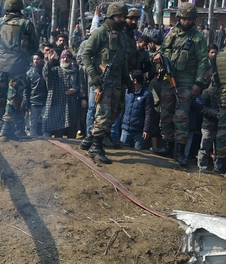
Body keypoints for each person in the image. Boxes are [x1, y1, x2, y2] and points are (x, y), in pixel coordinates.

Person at [153, 3, 208, 166]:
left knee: (181, 117)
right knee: (166, 114)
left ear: (194, 20)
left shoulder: (198, 38)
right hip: (168, 79)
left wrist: (198, 82)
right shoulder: (171, 34)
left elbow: (203, 61)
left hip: (186, 82)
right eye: (184, 18)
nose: (186, 21)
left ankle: (179, 151)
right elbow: (163, 51)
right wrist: (157, 59)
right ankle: (169, 146)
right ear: (179, 18)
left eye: (189, 19)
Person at [81, 2, 130, 164]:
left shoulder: (122, 36)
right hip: (102, 81)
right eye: (119, 16)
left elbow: (122, 60)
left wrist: (127, 80)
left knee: (115, 111)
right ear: (111, 16)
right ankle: (96, 147)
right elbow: (86, 55)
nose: (122, 19)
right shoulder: (101, 33)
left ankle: (90, 137)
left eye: (124, 17)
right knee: (103, 113)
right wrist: (94, 76)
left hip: (116, 80)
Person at [0, 0, 38, 139]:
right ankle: (6, 128)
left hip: (0, 65)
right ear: (20, 9)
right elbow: (35, 46)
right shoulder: (26, 24)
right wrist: (24, 55)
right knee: (13, 96)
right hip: (18, 66)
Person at [42, 49, 79, 137]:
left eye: (67, 57)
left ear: (71, 59)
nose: (65, 59)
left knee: (72, 130)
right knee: (58, 132)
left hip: (71, 105)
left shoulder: (76, 72)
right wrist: (49, 62)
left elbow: (81, 85)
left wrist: (75, 90)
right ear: (60, 59)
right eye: (63, 58)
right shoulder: (56, 70)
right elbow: (46, 74)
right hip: (57, 103)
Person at [120, 70, 154, 151]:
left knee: (139, 154)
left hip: (139, 133)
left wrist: (146, 129)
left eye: (130, 79)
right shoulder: (127, 92)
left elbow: (149, 114)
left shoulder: (147, 94)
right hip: (125, 130)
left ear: (135, 81)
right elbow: (123, 109)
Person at [25, 52, 47, 136]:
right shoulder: (29, 73)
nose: (36, 61)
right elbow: (26, 89)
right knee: (33, 123)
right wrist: (27, 103)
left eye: (38, 59)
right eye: (34, 59)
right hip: (33, 102)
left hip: (45, 101)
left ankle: (47, 139)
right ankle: (32, 138)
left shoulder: (46, 71)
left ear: (42, 60)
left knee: (45, 122)